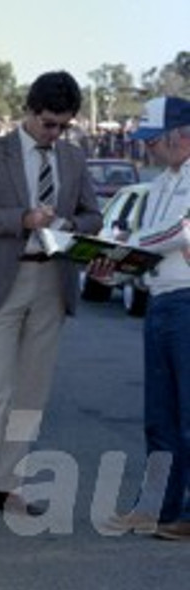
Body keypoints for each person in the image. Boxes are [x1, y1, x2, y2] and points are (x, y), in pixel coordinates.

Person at [0, 71, 102, 527]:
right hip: (2, 283)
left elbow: (93, 216)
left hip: (52, 282)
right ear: (29, 113)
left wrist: (70, 225)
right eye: (49, 124)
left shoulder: (72, 158)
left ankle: (8, 483)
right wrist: (24, 219)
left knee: (32, 393)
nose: (55, 134)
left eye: (63, 126)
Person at [101, 96, 190, 540]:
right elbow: (157, 240)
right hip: (160, 299)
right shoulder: (159, 185)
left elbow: (182, 231)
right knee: (160, 417)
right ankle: (156, 506)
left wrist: (131, 246)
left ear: (180, 136)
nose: (148, 149)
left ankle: (186, 512)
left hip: (187, 300)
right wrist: (112, 261)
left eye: (153, 140)